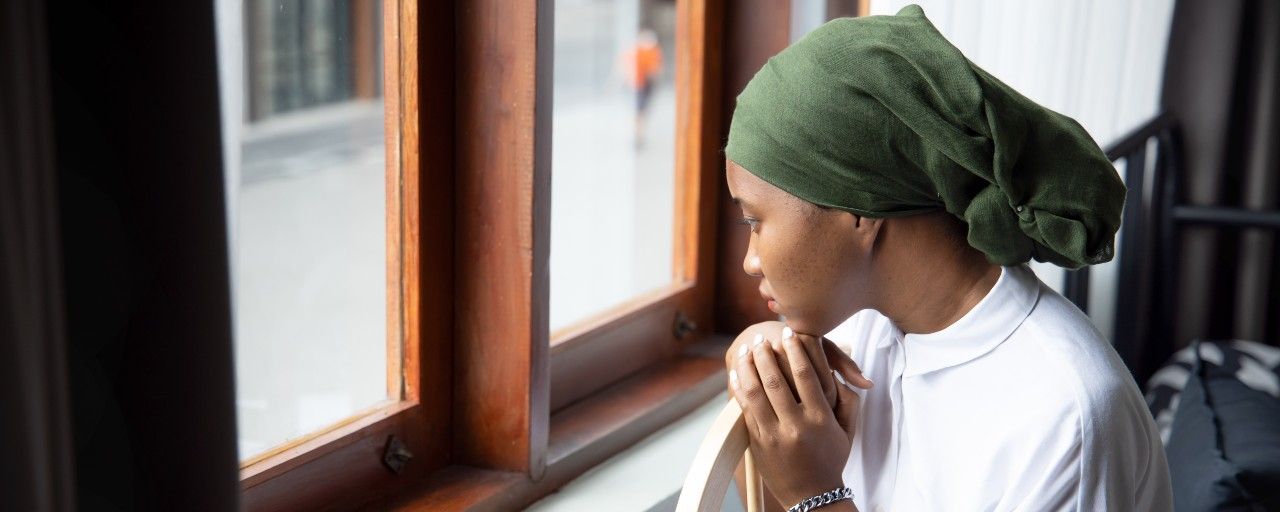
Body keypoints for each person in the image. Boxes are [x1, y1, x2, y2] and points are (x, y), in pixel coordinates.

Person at [721, 5, 1173, 511]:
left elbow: (806, 496)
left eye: (754, 223)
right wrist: (755, 361)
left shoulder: (1066, 420)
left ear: (858, 213)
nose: (750, 261)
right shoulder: (860, 333)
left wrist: (816, 495)